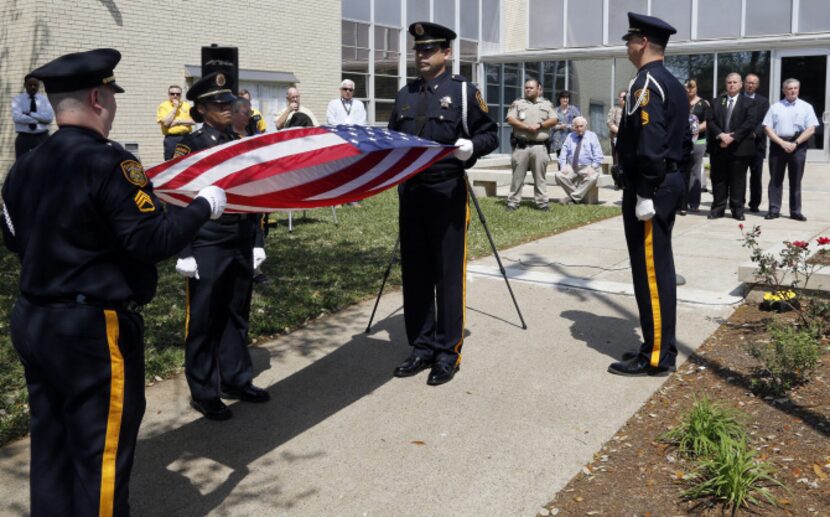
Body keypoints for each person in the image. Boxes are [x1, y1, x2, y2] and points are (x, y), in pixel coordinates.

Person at [1, 48, 226, 517]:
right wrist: (205, 205)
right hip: (90, 331)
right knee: (99, 455)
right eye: (113, 95)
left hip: (35, 320)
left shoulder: (23, 167)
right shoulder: (111, 163)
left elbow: (13, 238)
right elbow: (153, 239)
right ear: (99, 97)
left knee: (52, 443)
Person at [388, 21, 497, 386]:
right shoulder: (404, 94)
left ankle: (447, 352)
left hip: (447, 193)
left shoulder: (464, 93)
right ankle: (421, 346)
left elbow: (489, 133)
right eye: (418, 49)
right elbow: (392, 141)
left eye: (429, 49)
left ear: (446, 53)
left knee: (447, 276)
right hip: (412, 194)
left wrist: (471, 150)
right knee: (416, 274)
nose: (422, 55)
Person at [173, 72, 270, 420]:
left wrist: (258, 239)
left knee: (236, 313)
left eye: (229, 101)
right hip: (207, 244)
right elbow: (176, 198)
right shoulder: (190, 146)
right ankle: (204, 390)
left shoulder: (238, 141)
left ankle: (236, 378)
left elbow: (252, 191)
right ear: (200, 109)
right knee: (203, 319)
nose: (228, 108)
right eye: (219, 103)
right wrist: (183, 250)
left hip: (240, 239)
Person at [607, 13, 687, 377]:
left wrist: (645, 191)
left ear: (642, 43)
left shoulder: (647, 83)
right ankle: (659, 344)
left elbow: (651, 141)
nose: (626, 46)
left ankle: (656, 355)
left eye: (629, 40)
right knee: (658, 269)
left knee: (651, 272)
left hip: (650, 188)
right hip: (663, 184)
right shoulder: (670, 81)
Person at [763, 78, 819, 222]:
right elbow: (767, 128)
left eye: (795, 88)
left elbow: (811, 128)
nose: (792, 91)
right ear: (784, 90)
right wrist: (782, 142)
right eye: (789, 88)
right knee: (775, 179)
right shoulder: (775, 107)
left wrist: (795, 142)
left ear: (798, 90)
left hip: (798, 146)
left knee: (796, 180)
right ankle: (774, 210)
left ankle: (795, 211)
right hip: (778, 144)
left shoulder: (806, 107)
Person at [706, 73, 759, 221]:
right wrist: (721, 135)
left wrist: (732, 137)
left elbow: (750, 123)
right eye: (729, 82)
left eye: (735, 82)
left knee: (738, 180)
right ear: (725, 84)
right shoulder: (716, 102)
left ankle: (737, 210)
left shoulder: (749, 103)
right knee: (718, 179)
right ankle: (718, 208)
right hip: (719, 147)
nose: (732, 85)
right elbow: (710, 121)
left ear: (741, 84)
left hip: (739, 148)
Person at [505, 78, 557, 211]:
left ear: (539, 89)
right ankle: (513, 202)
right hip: (522, 146)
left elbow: (554, 119)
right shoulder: (518, 103)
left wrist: (539, 125)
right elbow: (510, 119)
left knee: (540, 176)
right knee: (517, 176)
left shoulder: (546, 104)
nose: (528, 89)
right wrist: (527, 127)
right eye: (526, 87)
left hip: (539, 147)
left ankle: (542, 203)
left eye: (531, 87)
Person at [555, 116, 603, 205]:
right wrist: (563, 166)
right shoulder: (570, 136)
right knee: (559, 175)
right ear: (574, 127)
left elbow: (599, 156)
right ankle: (576, 197)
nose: (579, 128)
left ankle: (571, 198)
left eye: (581, 126)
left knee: (593, 177)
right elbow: (563, 153)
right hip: (572, 167)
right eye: (577, 126)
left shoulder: (592, 136)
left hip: (587, 167)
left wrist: (593, 167)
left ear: (585, 126)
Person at [682, 79, 711, 213]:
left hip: (699, 141)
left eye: (692, 88)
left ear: (696, 88)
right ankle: (681, 202)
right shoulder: (680, 102)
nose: (689, 90)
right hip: (682, 141)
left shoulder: (704, 104)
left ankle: (694, 202)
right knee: (682, 171)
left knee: (695, 171)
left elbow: (708, 122)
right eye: (687, 88)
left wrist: (694, 129)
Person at [743, 73, 768, 213]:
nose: (750, 85)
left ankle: (754, 203)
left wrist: (754, 133)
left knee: (756, 175)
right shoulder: (738, 99)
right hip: (740, 143)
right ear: (744, 84)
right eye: (748, 82)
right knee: (739, 176)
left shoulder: (763, 101)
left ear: (757, 85)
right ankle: (739, 201)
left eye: (753, 83)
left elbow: (764, 120)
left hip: (757, 144)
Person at [11, 74, 54, 158]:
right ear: (25, 85)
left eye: (35, 85)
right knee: (21, 164)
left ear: (39, 85)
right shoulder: (17, 99)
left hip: (42, 137)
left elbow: (49, 118)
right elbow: (17, 118)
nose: (33, 87)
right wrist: (40, 120)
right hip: (24, 138)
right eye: (30, 85)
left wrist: (30, 114)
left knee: (43, 162)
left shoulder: (44, 99)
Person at [156, 84, 195, 160]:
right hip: (172, 139)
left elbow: (193, 121)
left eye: (178, 94)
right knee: (170, 162)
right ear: (168, 94)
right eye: (172, 94)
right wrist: (175, 107)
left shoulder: (186, 105)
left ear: (181, 95)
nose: (175, 96)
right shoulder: (163, 106)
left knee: (187, 161)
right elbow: (166, 123)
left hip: (186, 137)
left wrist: (178, 121)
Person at [550, 90, 581, 159]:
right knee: (561, 161)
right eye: (563, 98)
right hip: (558, 141)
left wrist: (570, 126)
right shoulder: (555, 111)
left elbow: (580, 122)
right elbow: (551, 126)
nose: (565, 99)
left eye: (567, 98)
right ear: (560, 99)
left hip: (571, 139)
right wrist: (560, 126)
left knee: (571, 160)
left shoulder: (573, 109)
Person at [607, 89, 626, 165]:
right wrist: (621, 132)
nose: (624, 99)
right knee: (617, 162)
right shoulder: (614, 109)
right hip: (617, 139)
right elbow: (609, 123)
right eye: (622, 97)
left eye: (625, 97)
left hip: (629, 141)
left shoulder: (631, 110)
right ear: (619, 99)